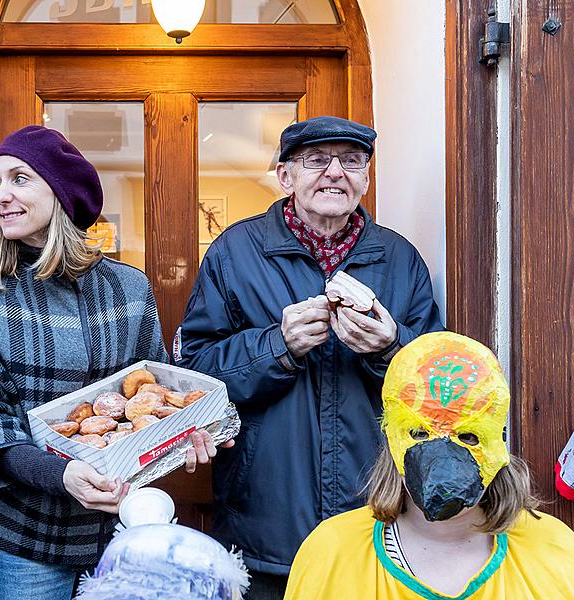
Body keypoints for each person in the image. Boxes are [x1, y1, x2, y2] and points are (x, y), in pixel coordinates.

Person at [0, 125, 225, 600]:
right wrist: (60, 475)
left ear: (60, 192)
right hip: (26, 538)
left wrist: (185, 439)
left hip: (125, 530)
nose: (0, 196)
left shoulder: (129, 290)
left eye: (19, 179)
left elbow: (153, 400)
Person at [173, 115, 444, 597]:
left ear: (365, 177)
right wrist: (279, 346)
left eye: (352, 161)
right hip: (265, 520)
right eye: (317, 161)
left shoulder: (400, 259)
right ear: (285, 176)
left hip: (377, 517)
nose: (335, 173)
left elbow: (439, 388)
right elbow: (194, 374)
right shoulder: (235, 252)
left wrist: (389, 347)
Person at [284, 331, 574, 599]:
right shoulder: (333, 554)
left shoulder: (554, 553)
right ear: (391, 438)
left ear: (499, 442)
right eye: (420, 433)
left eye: (468, 436)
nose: (443, 464)